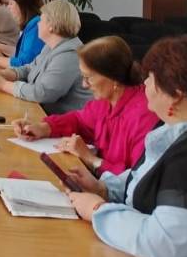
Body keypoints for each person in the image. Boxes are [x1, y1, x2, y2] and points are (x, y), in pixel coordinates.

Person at [66, 36, 187, 257]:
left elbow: (166, 244)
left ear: (176, 96)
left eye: (150, 79)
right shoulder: (179, 127)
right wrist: (103, 187)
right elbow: (145, 178)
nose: (144, 83)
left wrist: (97, 210)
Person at [11, 36, 159, 175]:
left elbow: (136, 179)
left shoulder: (144, 116)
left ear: (113, 78)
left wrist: (89, 158)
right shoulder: (105, 101)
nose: (84, 84)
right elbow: (79, 121)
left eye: (88, 78)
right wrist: (44, 128)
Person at [0, 0, 91, 114]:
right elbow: (30, 68)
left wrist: (4, 85)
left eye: (41, 20)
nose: (38, 24)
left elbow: (43, 93)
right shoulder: (51, 45)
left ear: (51, 26)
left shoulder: (69, 55)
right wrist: (5, 74)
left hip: (60, 120)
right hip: (41, 112)